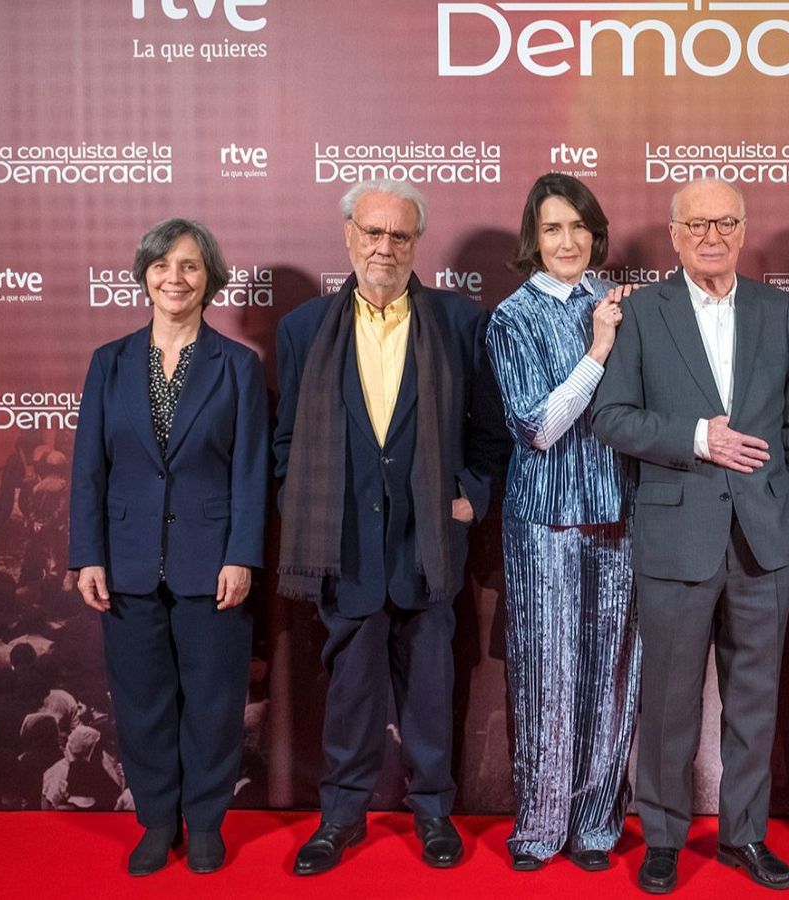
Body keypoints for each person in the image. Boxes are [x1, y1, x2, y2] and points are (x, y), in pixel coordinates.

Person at [274, 179, 506, 876]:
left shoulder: (459, 323)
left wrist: (470, 496)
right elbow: (286, 441)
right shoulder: (305, 329)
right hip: (342, 545)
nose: (385, 246)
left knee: (432, 688)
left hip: (429, 544)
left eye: (399, 235)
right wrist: (301, 504)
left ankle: (434, 813)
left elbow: (490, 434)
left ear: (416, 242)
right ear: (349, 235)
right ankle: (340, 818)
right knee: (349, 692)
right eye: (372, 232)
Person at [592, 178, 789, 894]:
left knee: (754, 700)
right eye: (697, 224)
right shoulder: (642, 312)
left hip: (763, 540)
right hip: (675, 535)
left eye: (725, 222)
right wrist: (697, 438)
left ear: (743, 230)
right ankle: (663, 837)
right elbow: (611, 417)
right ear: (675, 234)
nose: (711, 235)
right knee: (669, 700)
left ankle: (745, 835)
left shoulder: (777, 310)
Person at [68, 217, 267, 875]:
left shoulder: (238, 365)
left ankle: (205, 823)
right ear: (144, 276)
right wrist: (87, 554)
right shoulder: (109, 362)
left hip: (213, 564)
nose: (174, 278)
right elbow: (89, 469)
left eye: (188, 265)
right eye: (161, 265)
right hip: (126, 562)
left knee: (213, 703)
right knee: (142, 702)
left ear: (209, 278)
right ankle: (157, 821)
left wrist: (241, 554)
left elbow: (250, 471)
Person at [484, 173, 639, 872]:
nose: (568, 241)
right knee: (548, 677)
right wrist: (598, 350)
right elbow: (537, 428)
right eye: (553, 228)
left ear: (595, 233)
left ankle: (597, 826)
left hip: (617, 517)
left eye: (579, 227)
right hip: (544, 522)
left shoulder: (617, 302)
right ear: (534, 238)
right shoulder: (511, 318)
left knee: (611, 677)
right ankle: (541, 828)